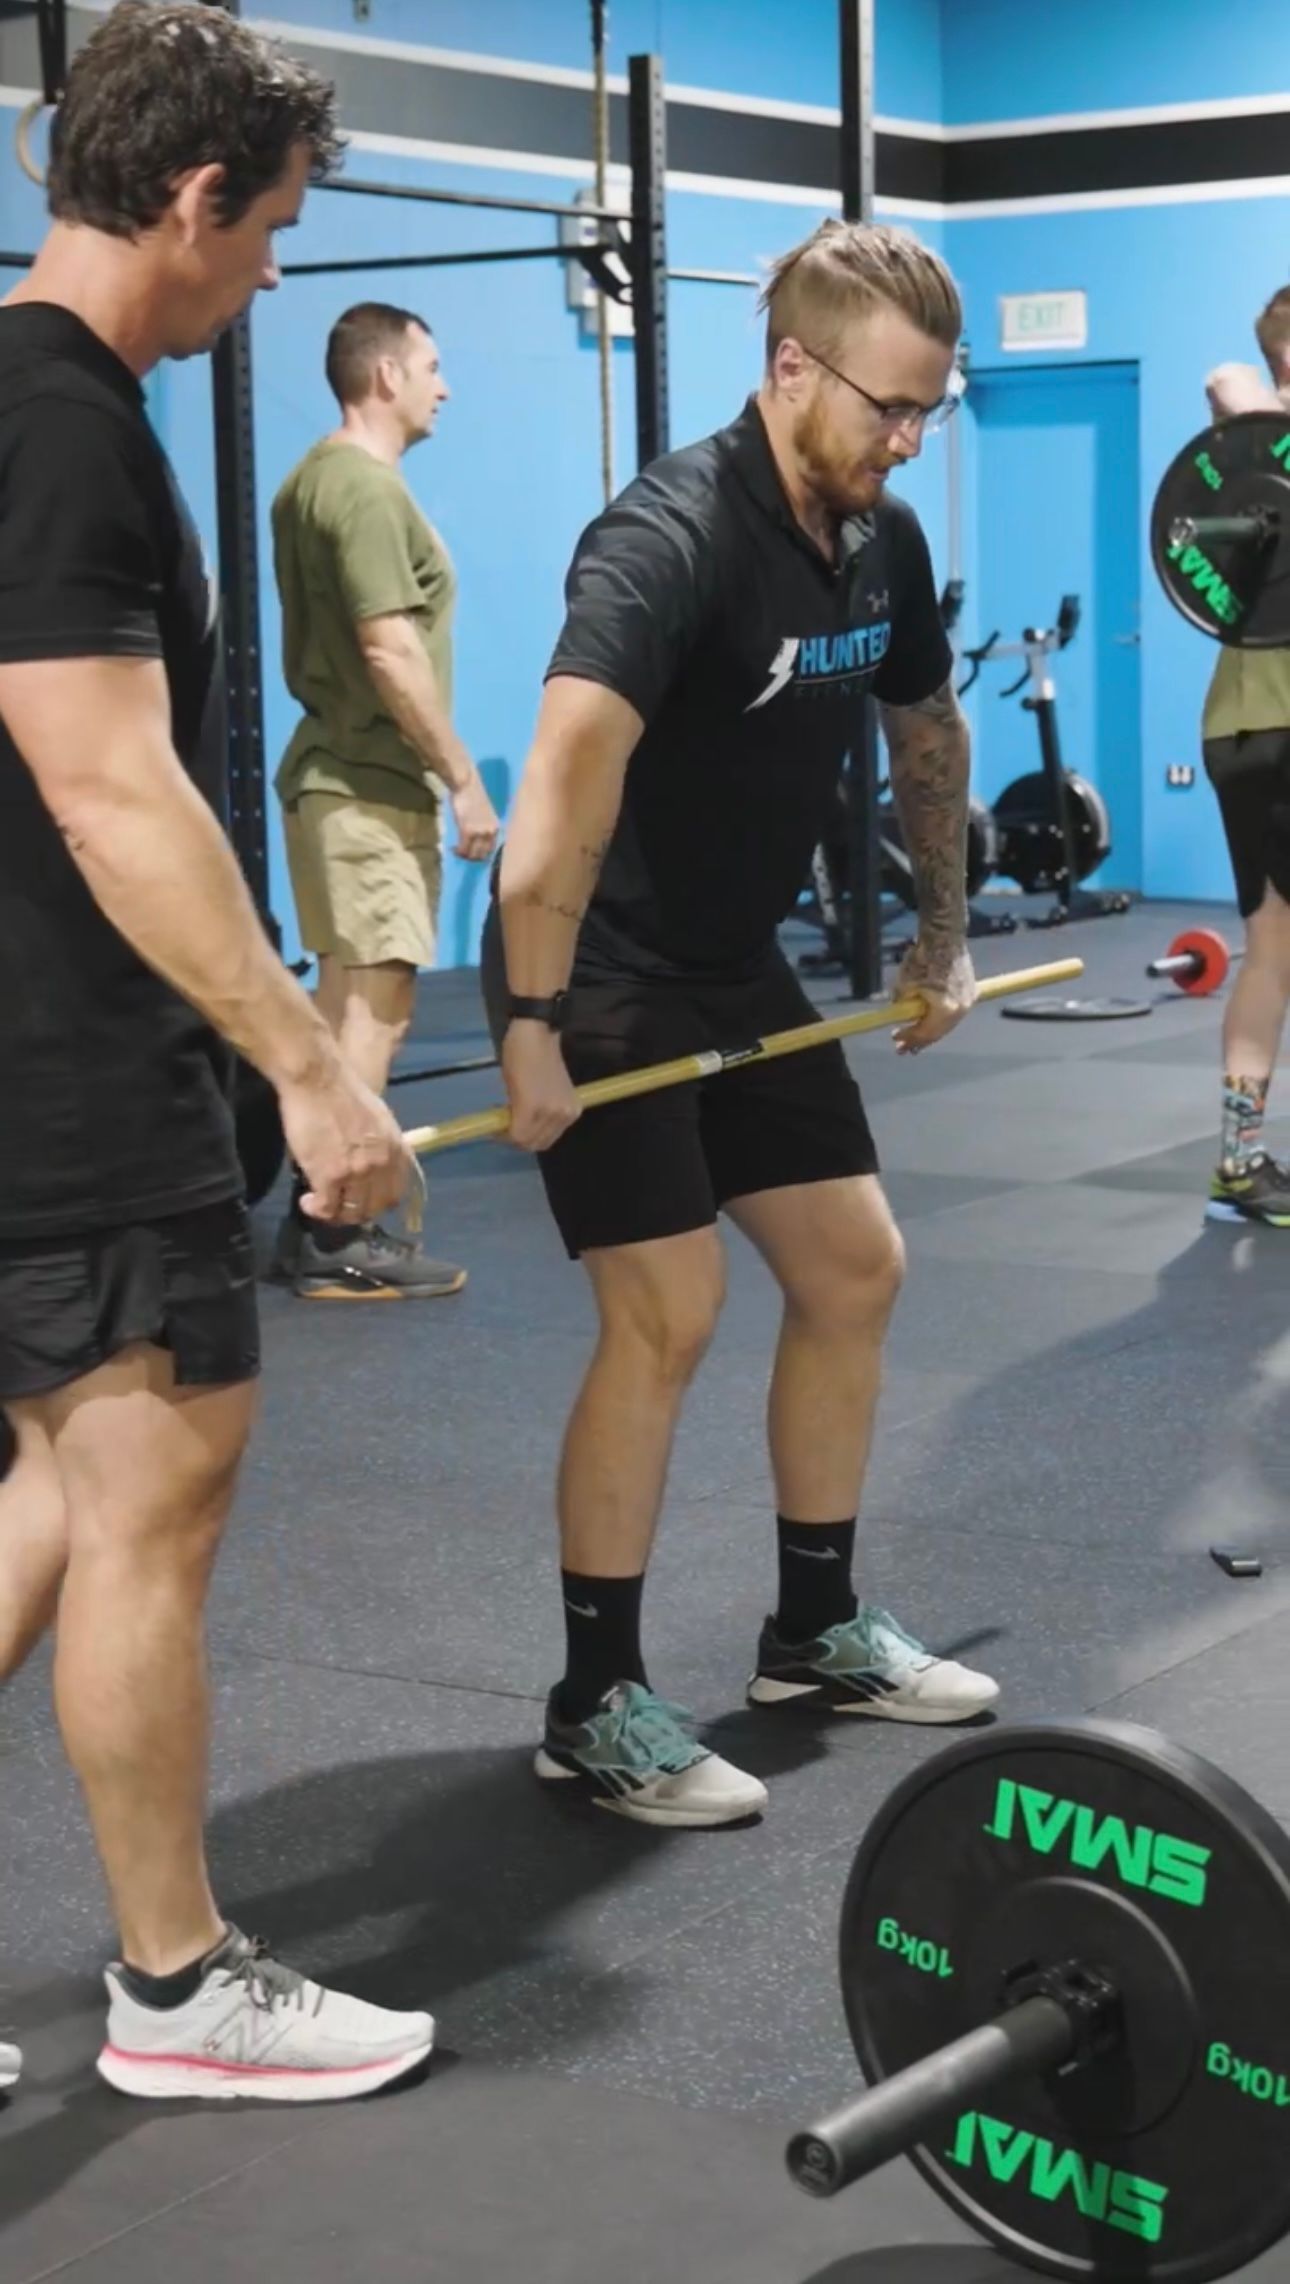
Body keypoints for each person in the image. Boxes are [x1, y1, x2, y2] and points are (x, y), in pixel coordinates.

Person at [0, 0, 434, 2099]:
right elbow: (107, 787)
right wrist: (304, 1059)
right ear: (189, 196)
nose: (272, 267)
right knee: (152, 1488)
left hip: (21, 1063)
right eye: (264, 228)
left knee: (45, 1497)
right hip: (72, 1068)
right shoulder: (67, 418)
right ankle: (177, 1993)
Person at [483, 218, 1001, 1831]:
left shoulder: (879, 538)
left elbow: (925, 719)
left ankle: (812, 1626)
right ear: (790, 367)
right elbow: (559, 781)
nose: (906, 439)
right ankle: (595, 1702)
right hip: (612, 959)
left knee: (855, 1265)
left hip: (736, 958)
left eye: (931, 410)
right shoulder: (669, 535)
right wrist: (531, 1020)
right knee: (669, 1310)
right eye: (885, 407)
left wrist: (941, 931)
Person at [271, 301, 500, 1298]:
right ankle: (332, 1231)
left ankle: (321, 1215)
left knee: (349, 1009)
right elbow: (387, 646)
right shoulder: (361, 491)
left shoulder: (310, 481)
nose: (443, 385)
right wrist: (464, 778)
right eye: (432, 365)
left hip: (343, 780)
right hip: (365, 785)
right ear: (384, 377)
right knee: (374, 1010)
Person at [1199, 293, 1290, 1229]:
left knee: (1274, 948)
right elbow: (1225, 380)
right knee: (1273, 946)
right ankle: (1238, 1159)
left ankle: (1239, 1161)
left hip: (1244, 730)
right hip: (1263, 731)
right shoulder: (1253, 455)